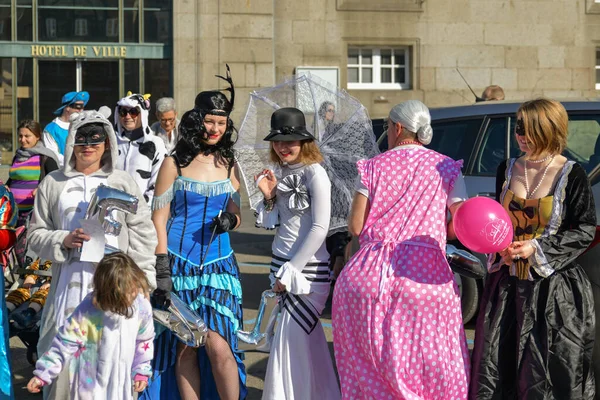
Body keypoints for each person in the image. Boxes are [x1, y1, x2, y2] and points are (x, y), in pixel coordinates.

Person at [332, 100, 470, 399]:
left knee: (369, 363)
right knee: (432, 361)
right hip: (424, 275)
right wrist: (436, 231)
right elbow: (461, 224)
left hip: (368, 274)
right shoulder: (446, 166)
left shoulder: (372, 166)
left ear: (396, 128)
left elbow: (356, 226)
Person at [28, 106, 158, 399]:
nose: (88, 147)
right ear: (71, 140)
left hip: (115, 287)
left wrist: (144, 280)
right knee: (64, 365)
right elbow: (34, 236)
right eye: (81, 140)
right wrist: (64, 238)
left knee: (111, 364)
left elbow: (142, 233)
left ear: (107, 143)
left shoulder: (122, 182)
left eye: (95, 140)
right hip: (70, 287)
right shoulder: (53, 184)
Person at [470, 98, 597, 399]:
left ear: (548, 129)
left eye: (528, 129)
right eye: (518, 128)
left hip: (552, 291)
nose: (520, 135)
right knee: (498, 362)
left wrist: (536, 249)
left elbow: (585, 229)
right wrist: (498, 248)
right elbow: (496, 222)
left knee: (546, 367)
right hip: (507, 285)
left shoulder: (571, 173)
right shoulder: (508, 168)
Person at [146, 66, 247, 400]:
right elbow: (158, 219)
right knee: (186, 346)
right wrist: (162, 272)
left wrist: (229, 223)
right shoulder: (174, 163)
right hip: (177, 265)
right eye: (210, 121)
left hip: (219, 265)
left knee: (220, 344)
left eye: (222, 123)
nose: (216, 128)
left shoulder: (229, 161)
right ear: (197, 119)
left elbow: (235, 211)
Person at [255, 107, 340, 400]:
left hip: (308, 272)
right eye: (277, 141)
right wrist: (268, 196)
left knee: (288, 342)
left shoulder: (316, 173)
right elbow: (271, 223)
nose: (283, 147)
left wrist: (293, 268)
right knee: (305, 342)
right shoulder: (277, 172)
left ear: (304, 141)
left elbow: (320, 227)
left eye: (289, 141)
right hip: (279, 265)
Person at [26, 252, 155, 400]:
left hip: (120, 386)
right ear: (109, 293)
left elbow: (144, 340)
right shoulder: (90, 309)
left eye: (134, 289)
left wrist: (141, 370)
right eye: (128, 293)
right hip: (89, 386)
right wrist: (43, 374)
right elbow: (65, 342)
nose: (133, 294)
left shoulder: (141, 306)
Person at [114, 92, 167, 203]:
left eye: (133, 112)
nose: (127, 116)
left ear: (143, 114)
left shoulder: (156, 143)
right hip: (113, 210)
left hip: (143, 213)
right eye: (123, 112)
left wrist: (142, 209)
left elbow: (159, 182)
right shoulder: (111, 142)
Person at [7, 120, 59, 226]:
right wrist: (6, 186)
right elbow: (13, 179)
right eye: (20, 136)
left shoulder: (45, 157)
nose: (23, 140)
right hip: (13, 214)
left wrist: (41, 188)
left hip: (33, 216)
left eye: (27, 136)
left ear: (38, 136)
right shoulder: (18, 156)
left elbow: (56, 182)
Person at [42, 91, 89, 166]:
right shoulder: (51, 129)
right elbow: (53, 155)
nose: (81, 110)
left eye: (82, 106)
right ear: (67, 107)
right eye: (78, 106)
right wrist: (76, 162)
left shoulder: (84, 126)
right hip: (61, 172)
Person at [6, 259, 52, 330]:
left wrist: (50, 282)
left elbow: (64, 277)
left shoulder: (67, 265)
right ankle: (5, 310)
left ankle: (28, 314)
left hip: (49, 289)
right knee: (18, 294)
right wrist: (30, 276)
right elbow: (35, 266)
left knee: (40, 297)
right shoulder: (45, 257)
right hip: (33, 284)